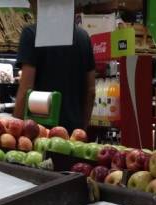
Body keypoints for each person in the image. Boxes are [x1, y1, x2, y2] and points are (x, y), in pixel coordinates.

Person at [13, 3, 96, 133]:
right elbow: (91, 91)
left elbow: (25, 89)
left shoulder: (32, 33)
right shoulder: (83, 37)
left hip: (39, 133)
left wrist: (16, 130)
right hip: (73, 134)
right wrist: (82, 129)